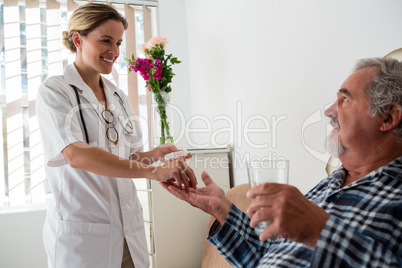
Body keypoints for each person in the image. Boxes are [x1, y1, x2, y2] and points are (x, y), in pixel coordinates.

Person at [161, 57, 402, 267]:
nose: (329, 111)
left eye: (345, 100)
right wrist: (222, 210)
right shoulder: (329, 185)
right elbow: (267, 257)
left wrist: (319, 229)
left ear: (389, 117)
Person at [36, 3, 196, 268]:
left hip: (127, 230)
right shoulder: (55, 91)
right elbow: (75, 155)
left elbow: (127, 155)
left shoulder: (117, 95)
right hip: (84, 238)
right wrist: (153, 172)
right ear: (78, 39)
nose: (115, 51)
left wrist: (152, 156)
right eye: (106, 41)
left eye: (119, 42)